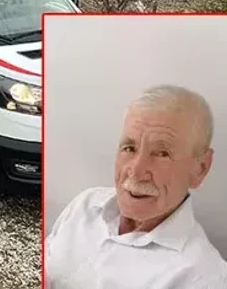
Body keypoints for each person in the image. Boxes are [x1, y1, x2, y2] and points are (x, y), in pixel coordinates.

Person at [45, 85, 227, 289]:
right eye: (129, 148)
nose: (136, 172)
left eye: (162, 154)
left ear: (200, 169)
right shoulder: (85, 205)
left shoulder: (204, 279)